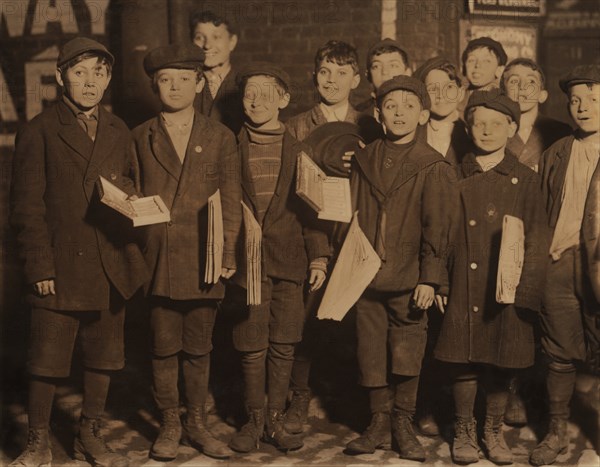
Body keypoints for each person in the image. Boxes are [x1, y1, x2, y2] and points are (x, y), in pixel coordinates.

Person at [9, 37, 149, 467]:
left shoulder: (118, 129)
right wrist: (38, 264)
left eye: (99, 73)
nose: (90, 82)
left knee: (103, 355)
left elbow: (128, 184)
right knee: (46, 359)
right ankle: (36, 443)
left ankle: (91, 435)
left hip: (109, 261)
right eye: (80, 72)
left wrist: (136, 205)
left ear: (108, 80)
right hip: (60, 263)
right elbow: (26, 207)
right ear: (61, 76)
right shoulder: (39, 130)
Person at [131, 43, 241, 461]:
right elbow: (126, 187)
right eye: (164, 79)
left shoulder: (220, 136)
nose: (174, 86)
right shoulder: (139, 136)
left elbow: (230, 198)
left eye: (183, 78)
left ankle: (196, 422)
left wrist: (228, 251)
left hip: (203, 258)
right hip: (159, 260)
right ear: (154, 85)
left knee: (199, 346)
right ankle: (169, 423)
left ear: (199, 83)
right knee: (162, 346)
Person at [434, 90, 548, 465]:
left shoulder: (526, 180)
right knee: (463, 358)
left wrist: (526, 291)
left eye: (496, 124)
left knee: (502, 358)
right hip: (465, 283)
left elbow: (537, 239)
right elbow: (442, 236)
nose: (486, 131)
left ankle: (492, 429)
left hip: (506, 288)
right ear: (467, 127)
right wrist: (441, 283)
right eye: (479, 123)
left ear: (511, 127)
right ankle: (464, 428)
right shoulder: (454, 176)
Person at [345, 76, 456, 462]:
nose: (399, 113)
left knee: (407, 348)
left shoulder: (432, 165)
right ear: (377, 114)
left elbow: (438, 225)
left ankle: (402, 421)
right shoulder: (363, 159)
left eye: (409, 106)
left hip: (409, 275)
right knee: (370, 349)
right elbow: (350, 212)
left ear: (423, 114)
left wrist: (431, 277)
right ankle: (377, 420)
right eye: (391, 106)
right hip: (365, 273)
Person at [224, 63, 330, 453]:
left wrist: (318, 258)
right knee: (251, 343)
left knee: (285, 343)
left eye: (267, 94)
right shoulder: (228, 147)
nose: (257, 101)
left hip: (290, 262)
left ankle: (275, 420)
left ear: (283, 100)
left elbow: (312, 212)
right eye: (250, 93)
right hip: (245, 264)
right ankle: (253, 419)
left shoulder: (301, 151)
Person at [530, 64, 600, 467]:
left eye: (593, 98)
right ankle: (556, 430)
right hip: (559, 262)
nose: (583, 107)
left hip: (598, 267)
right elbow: (540, 212)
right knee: (557, 349)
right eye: (576, 100)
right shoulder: (556, 153)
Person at [501, 58, 572, 172]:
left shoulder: (561, 133)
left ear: (542, 95)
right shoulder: (493, 131)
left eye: (531, 81)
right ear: (502, 95)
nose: (522, 86)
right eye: (514, 81)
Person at [286, 40, 361, 145]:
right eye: (324, 72)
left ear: (354, 81)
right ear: (315, 77)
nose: (332, 79)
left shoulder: (367, 126)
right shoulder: (295, 126)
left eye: (341, 73)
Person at [191, 10, 244, 134]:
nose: (207, 45)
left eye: (216, 37)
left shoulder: (245, 85)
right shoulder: (184, 85)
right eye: (199, 37)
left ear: (232, 42)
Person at [414, 56, 471, 165]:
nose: (441, 95)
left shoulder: (471, 134)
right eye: (432, 89)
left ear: (460, 93)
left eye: (449, 87)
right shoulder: (414, 135)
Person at [356, 38, 412, 143]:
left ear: (407, 72)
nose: (385, 72)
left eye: (393, 65)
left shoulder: (419, 112)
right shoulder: (358, 115)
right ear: (368, 75)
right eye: (376, 66)